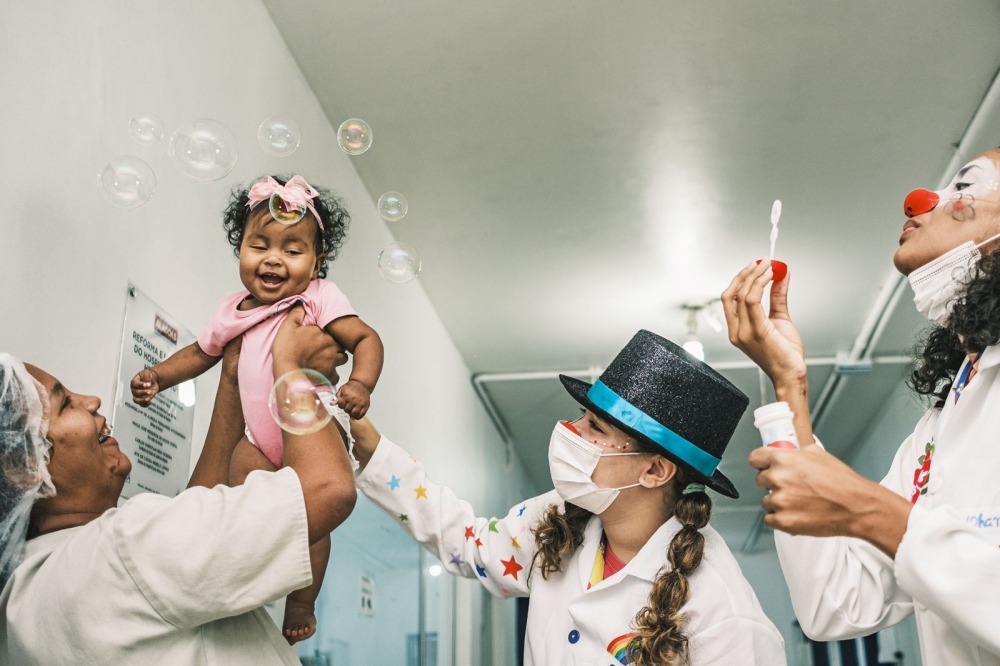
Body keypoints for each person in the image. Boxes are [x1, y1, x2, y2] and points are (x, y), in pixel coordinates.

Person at [350, 330, 787, 665]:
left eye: (594, 427)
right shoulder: (557, 516)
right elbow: (467, 542)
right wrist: (372, 451)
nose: (569, 430)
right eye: (583, 415)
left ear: (655, 470)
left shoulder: (724, 613)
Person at [722, 148, 1000, 665]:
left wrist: (870, 510)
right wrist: (789, 385)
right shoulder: (939, 426)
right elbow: (837, 603)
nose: (919, 202)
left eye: (965, 187)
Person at [0, 307, 356, 664]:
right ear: (21, 470)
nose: (91, 401)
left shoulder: (22, 597)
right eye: (65, 404)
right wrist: (292, 368)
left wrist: (235, 377)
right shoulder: (122, 549)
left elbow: (192, 531)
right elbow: (326, 488)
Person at [130, 174, 384, 641]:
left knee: (311, 516)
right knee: (245, 498)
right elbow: (201, 353)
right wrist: (160, 376)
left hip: (311, 426)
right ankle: (239, 577)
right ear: (240, 250)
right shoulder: (233, 310)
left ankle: (301, 602)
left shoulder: (319, 297)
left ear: (317, 263)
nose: (272, 258)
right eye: (259, 245)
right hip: (257, 440)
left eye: (293, 250)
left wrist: (361, 383)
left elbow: (365, 338)